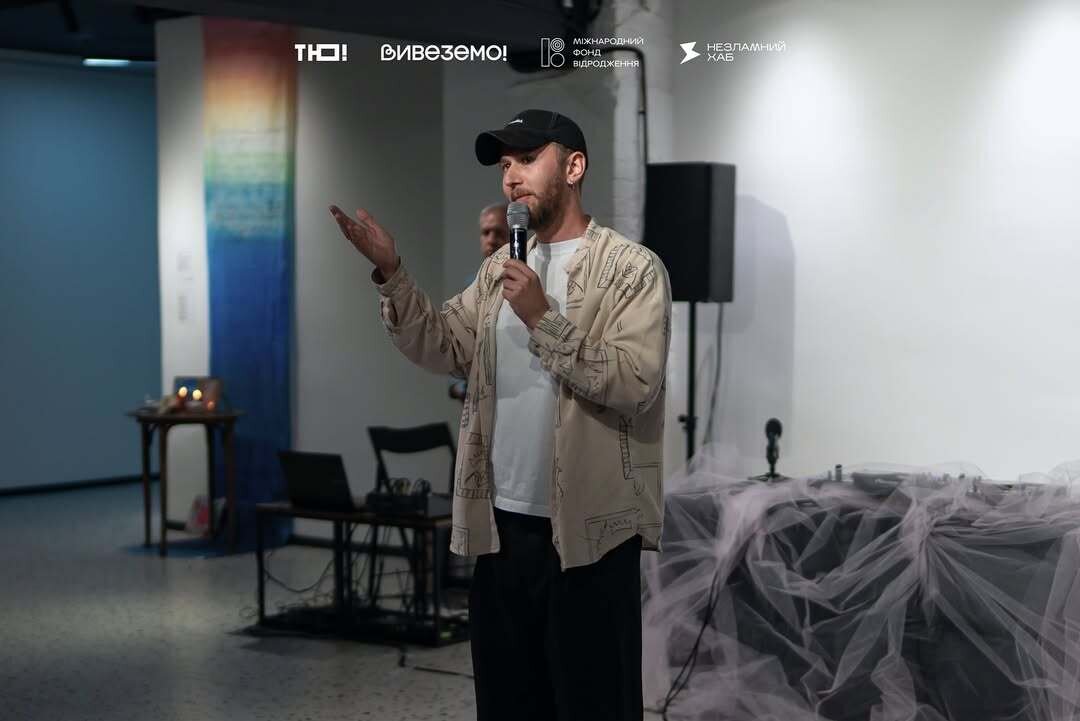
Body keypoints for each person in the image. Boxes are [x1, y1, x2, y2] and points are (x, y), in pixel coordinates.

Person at [329, 108, 672, 721]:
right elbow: (442, 343)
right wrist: (392, 274)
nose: (511, 176)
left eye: (528, 159)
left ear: (574, 166)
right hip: (502, 531)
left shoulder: (632, 269)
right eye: (505, 164)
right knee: (509, 703)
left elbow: (633, 382)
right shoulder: (498, 271)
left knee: (593, 705)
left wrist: (542, 317)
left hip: (590, 539)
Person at [450, 204, 509, 401]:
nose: (491, 240)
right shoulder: (470, 289)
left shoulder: (531, 282)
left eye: (499, 232)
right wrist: (462, 387)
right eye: (486, 233)